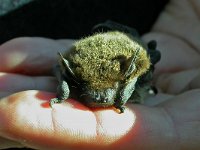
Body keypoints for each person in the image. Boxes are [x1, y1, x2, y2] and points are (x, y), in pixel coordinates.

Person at [0, 0, 200, 149]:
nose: (100, 98)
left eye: (105, 91)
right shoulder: (74, 69)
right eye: (92, 90)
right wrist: (62, 96)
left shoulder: (134, 66)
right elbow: (59, 69)